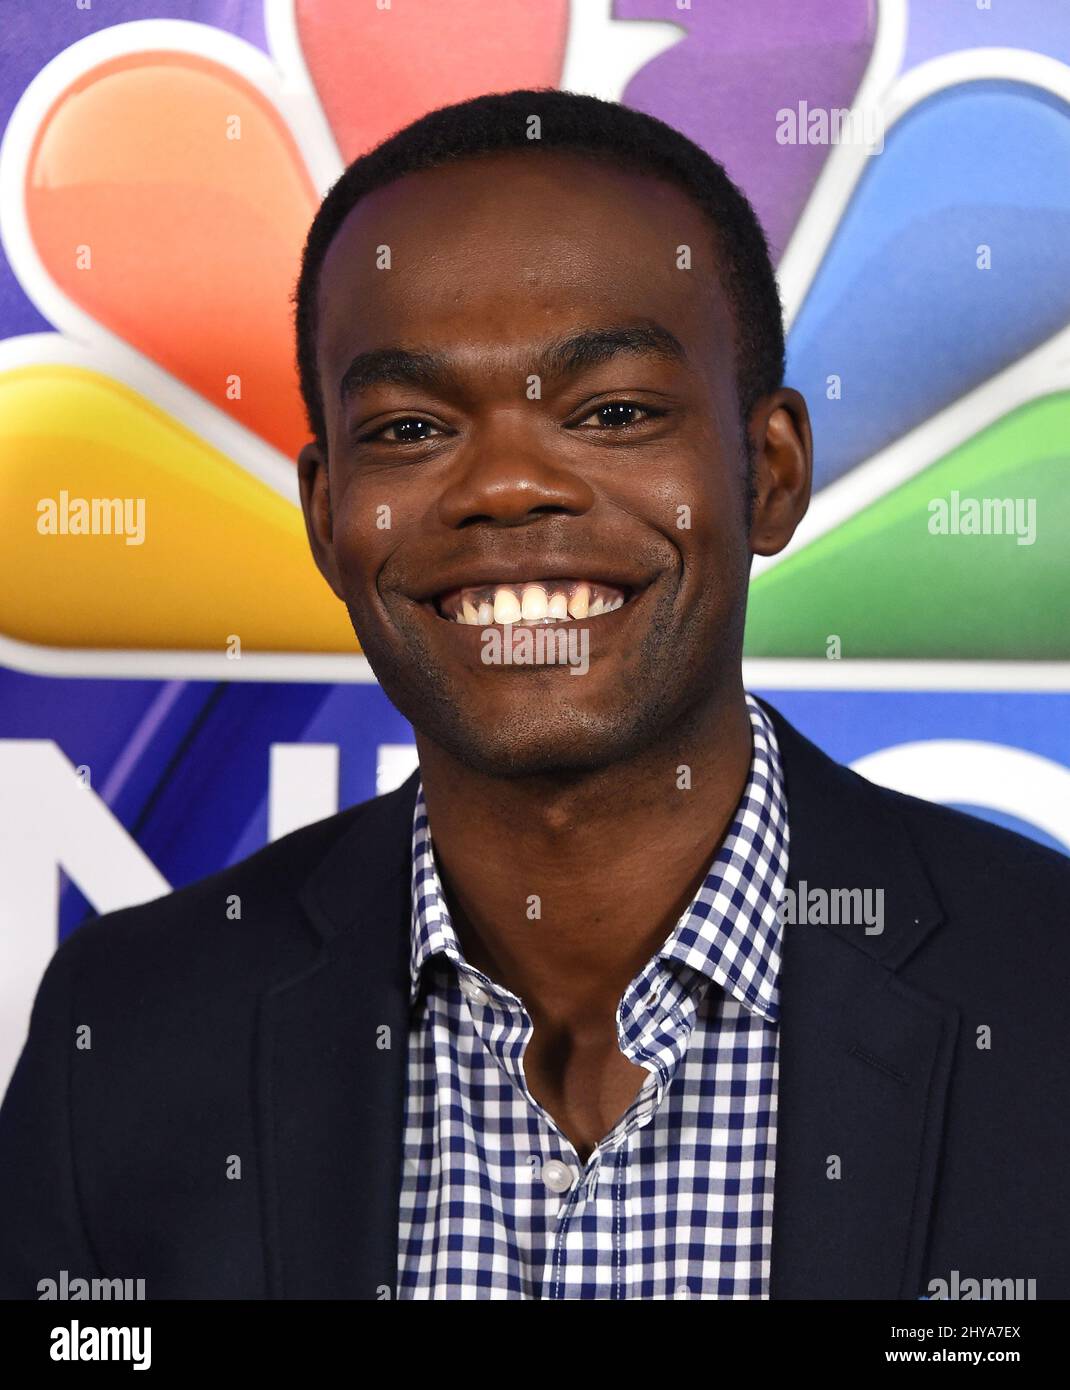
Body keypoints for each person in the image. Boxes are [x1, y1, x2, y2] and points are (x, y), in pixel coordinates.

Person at [1, 89, 1067, 1301]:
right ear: (325, 514)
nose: (505, 485)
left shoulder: (1042, 996)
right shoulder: (129, 1035)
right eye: (408, 427)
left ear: (766, 472)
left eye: (610, 412)